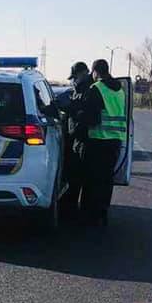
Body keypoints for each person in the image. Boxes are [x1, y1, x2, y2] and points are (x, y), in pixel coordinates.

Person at [77, 59, 126, 225]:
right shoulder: (120, 90)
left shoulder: (96, 88)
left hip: (98, 141)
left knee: (91, 180)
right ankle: (102, 212)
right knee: (106, 179)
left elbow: (91, 118)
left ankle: (89, 215)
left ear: (95, 72)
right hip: (115, 142)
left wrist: (77, 119)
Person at [61, 61, 94, 216]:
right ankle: (73, 208)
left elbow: (84, 114)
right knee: (74, 176)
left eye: (75, 76)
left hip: (84, 139)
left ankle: (74, 210)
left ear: (84, 73)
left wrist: (68, 108)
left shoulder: (90, 90)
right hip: (77, 138)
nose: (74, 80)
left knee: (77, 177)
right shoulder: (78, 89)